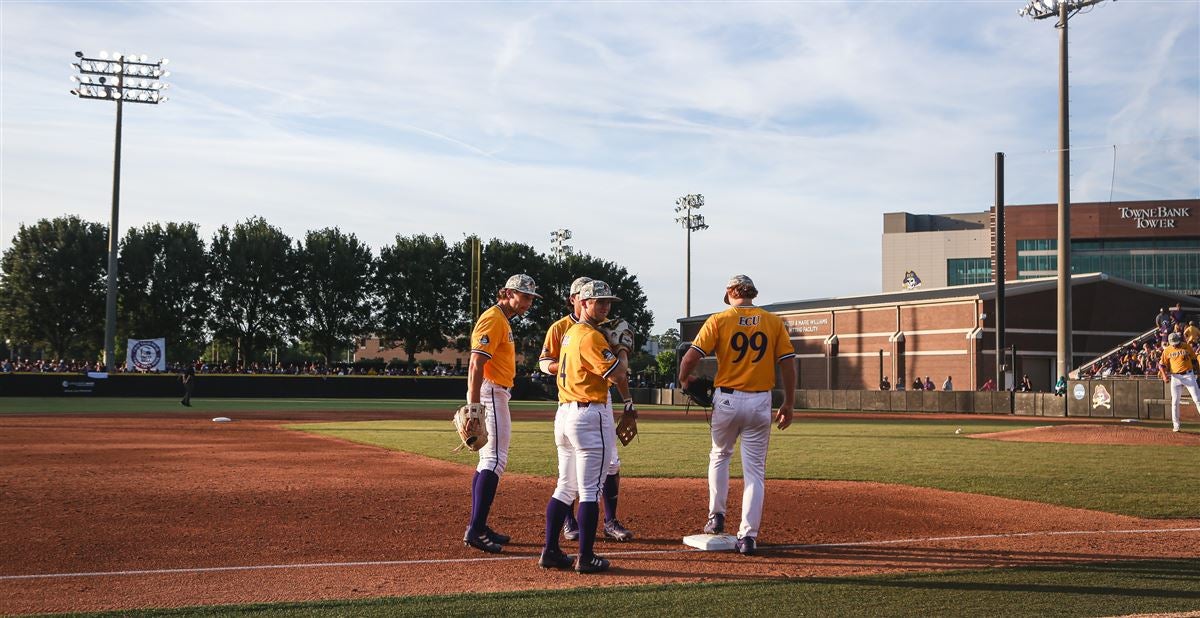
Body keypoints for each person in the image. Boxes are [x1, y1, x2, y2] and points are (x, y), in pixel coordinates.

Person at [677, 274, 796, 556]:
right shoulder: (773, 321)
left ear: (731, 292)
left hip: (727, 400)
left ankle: (716, 516)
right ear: (752, 293)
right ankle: (748, 537)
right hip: (759, 403)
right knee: (755, 472)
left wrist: (684, 379)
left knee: (720, 455)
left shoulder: (720, 319)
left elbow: (691, 357)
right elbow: (788, 364)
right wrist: (789, 402)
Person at [539, 280, 633, 574]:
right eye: (599, 302)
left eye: (608, 303)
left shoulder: (570, 334)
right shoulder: (591, 337)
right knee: (590, 490)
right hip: (588, 415)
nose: (605, 307)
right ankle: (586, 557)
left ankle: (551, 551)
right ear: (583, 302)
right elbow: (617, 374)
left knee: (565, 488)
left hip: (565, 415)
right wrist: (621, 349)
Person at [462, 274, 540, 554]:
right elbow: (475, 364)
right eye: (525, 296)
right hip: (491, 392)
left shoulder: (502, 320)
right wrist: (474, 407)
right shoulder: (493, 318)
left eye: (531, 297)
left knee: (487, 459)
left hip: (496, 392)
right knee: (495, 460)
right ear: (506, 293)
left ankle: (478, 526)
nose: (529, 302)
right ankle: (476, 529)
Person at [1159, 332, 1198, 433]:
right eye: (1173, 342)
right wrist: (1164, 375)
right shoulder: (1167, 350)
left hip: (1189, 375)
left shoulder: (1186, 346)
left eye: (1176, 341)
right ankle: (1176, 426)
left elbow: (1194, 360)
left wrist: (1197, 372)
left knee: (1197, 399)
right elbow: (1161, 365)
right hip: (1175, 377)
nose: (1176, 344)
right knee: (1175, 402)